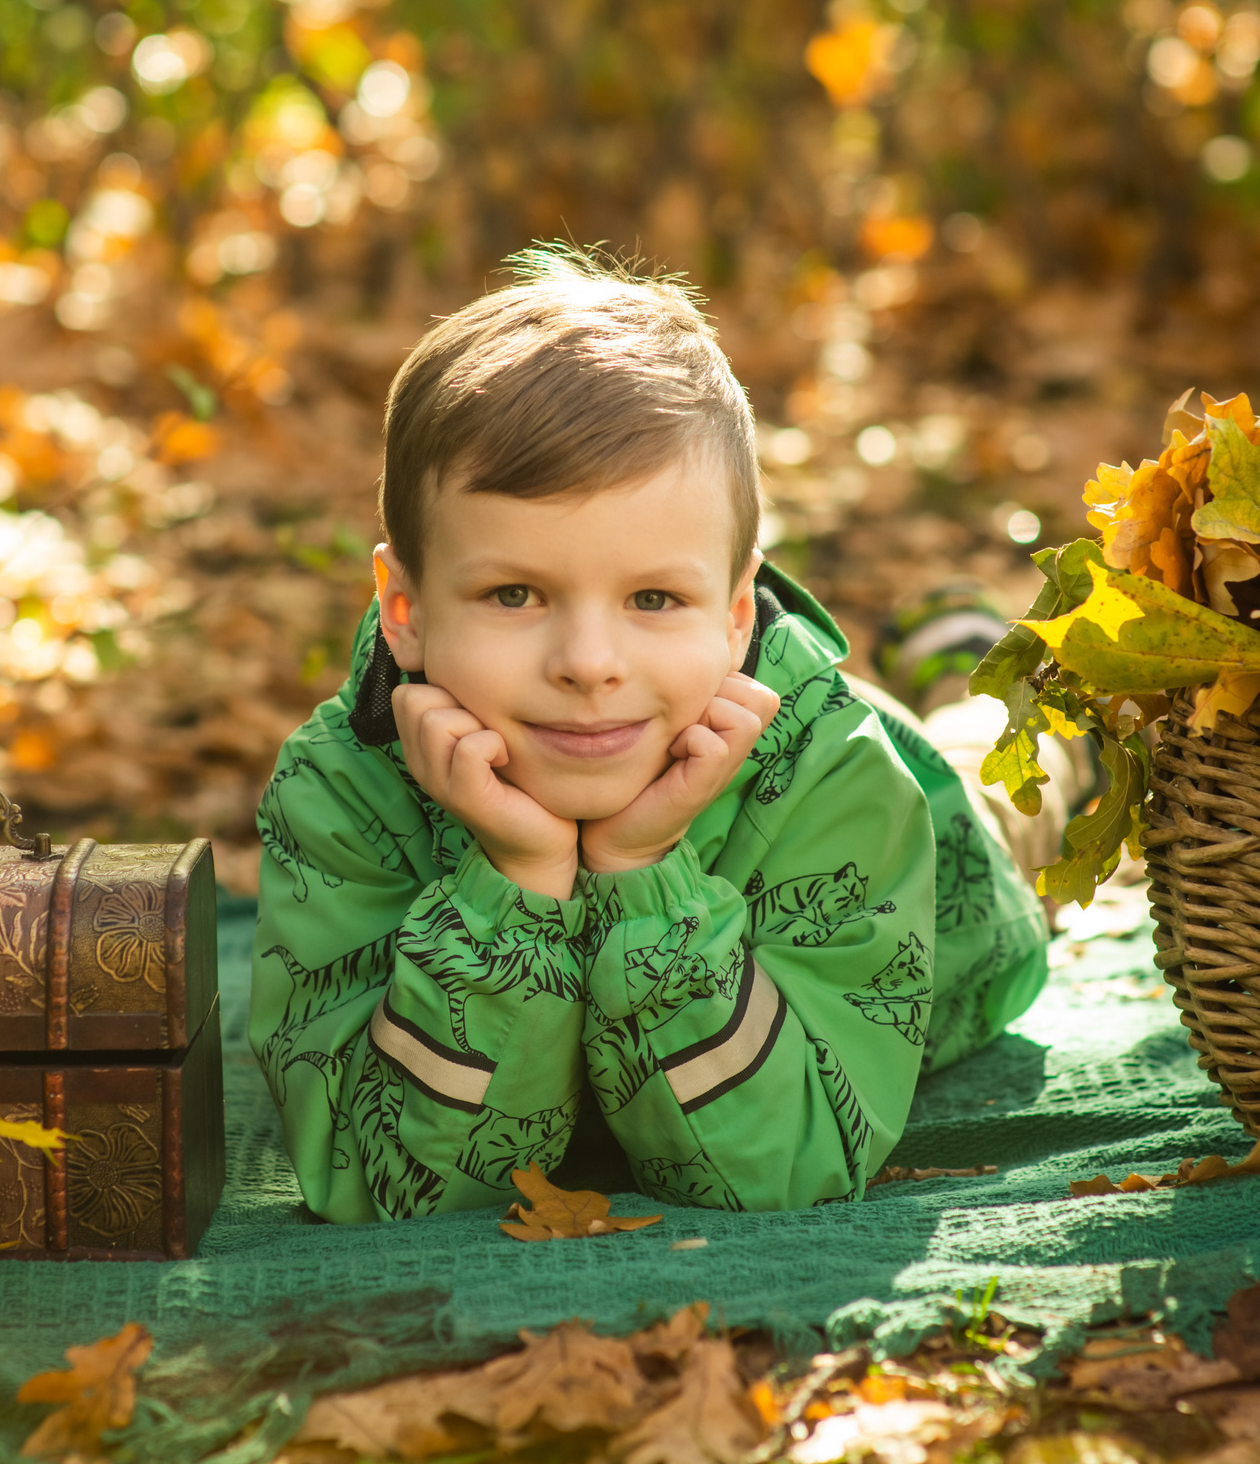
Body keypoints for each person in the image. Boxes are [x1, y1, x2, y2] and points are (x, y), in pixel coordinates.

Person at [250, 247, 1055, 1222]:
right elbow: (378, 1181)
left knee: (1015, 775)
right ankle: (952, 639)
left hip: (948, 850)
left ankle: (999, 684)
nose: (589, 661)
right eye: (514, 592)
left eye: (653, 597)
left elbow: (784, 1161)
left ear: (733, 613)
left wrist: (647, 871)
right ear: (403, 605)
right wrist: (508, 890)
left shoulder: (837, 774)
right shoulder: (342, 791)